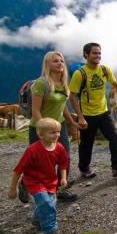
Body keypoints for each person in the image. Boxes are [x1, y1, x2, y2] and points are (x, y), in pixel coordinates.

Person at [69, 42, 117, 178]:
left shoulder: (105, 70)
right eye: (94, 53)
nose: (98, 56)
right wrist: (80, 117)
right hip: (87, 114)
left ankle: (116, 168)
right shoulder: (80, 74)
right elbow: (72, 95)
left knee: (114, 137)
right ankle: (84, 168)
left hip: (103, 112)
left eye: (99, 53)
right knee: (87, 143)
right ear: (86, 55)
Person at [22, 51, 78, 202]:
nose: (60, 63)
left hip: (59, 126)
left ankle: (61, 189)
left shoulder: (64, 83)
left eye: (61, 61)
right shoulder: (41, 84)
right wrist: (43, 129)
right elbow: (35, 110)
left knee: (64, 157)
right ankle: (24, 183)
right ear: (47, 65)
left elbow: (62, 106)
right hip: (39, 128)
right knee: (39, 161)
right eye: (55, 61)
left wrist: (72, 123)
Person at [8, 118, 68, 234]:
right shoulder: (32, 150)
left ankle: (37, 220)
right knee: (46, 203)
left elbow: (63, 163)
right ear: (41, 134)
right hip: (34, 181)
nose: (57, 135)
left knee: (49, 203)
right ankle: (51, 230)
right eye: (52, 132)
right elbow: (18, 170)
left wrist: (63, 178)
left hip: (50, 182)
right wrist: (12, 189)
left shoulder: (59, 147)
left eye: (58, 131)